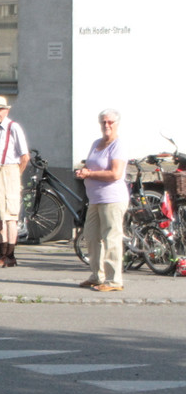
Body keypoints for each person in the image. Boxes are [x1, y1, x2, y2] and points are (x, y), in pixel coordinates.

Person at [75, 109, 129, 292]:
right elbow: (91, 164)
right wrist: (83, 170)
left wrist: (90, 174)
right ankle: (97, 276)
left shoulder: (117, 145)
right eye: (103, 122)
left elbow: (115, 173)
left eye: (110, 122)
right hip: (95, 199)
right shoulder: (96, 143)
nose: (106, 125)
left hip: (112, 199)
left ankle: (114, 280)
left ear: (117, 124)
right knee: (91, 237)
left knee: (111, 238)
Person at [0, 96, 30, 267]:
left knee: (9, 215)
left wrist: (15, 175)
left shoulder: (12, 127)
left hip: (8, 171)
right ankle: (1, 252)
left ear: (6, 111)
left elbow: (25, 156)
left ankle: (10, 256)